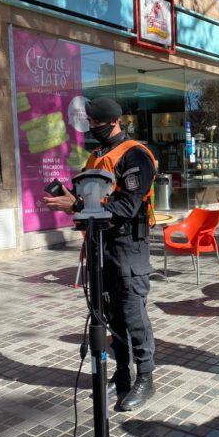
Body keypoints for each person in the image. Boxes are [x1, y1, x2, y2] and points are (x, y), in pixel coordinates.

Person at [44, 97, 158, 411]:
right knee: (108, 313)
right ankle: (121, 375)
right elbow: (85, 195)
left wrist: (77, 207)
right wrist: (67, 196)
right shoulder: (96, 156)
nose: (92, 129)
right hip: (100, 245)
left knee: (133, 313)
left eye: (95, 124)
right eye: (89, 124)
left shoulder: (136, 155)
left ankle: (145, 378)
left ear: (111, 121)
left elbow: (125, 207)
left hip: (128, 246)